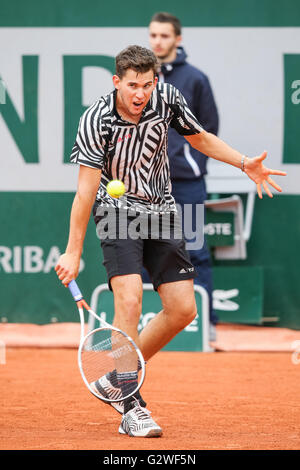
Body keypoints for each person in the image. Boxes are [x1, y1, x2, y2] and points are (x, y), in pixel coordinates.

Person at [55, 45, 286, 438]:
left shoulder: (167, 99)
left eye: (147, 84)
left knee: (183, 310)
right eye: (132, 85)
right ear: (117, 82)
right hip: (115, 211)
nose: (140, 93)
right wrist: (73, 250)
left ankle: (120, 372)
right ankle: (131, 403)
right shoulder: (96, 120)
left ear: (155, 81)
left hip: (163, 210)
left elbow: (200, 139)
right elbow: (85, 192)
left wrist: (244, 162)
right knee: (128, 299)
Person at [148, 12, 219, 339]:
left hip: (186, 183)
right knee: (147, 252)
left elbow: (209, 128)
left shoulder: (196, 79)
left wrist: (185, 158)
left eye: (164, 36)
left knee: (193, 249)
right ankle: (152, 324)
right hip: (146, 186)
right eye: (153, 35)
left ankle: (205, 326)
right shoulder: (141, 79)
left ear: (178, 39)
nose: (158, 41)